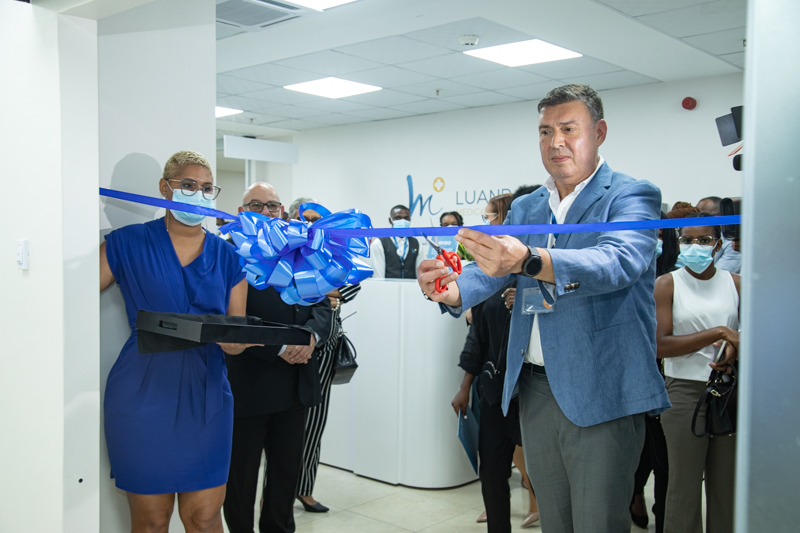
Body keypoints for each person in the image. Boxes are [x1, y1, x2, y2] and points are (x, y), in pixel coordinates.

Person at [417, 84, 671, 533]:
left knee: (597, 523)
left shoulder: (631, 195)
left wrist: (531, 260)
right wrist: (451, 290)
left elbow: (617, 262)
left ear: (599, 132)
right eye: (545, 131)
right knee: (554, 520)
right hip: (534, 390)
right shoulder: (528, 205)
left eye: (569, 129)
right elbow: (494, 269)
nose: (556, 142)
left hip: (602, 388)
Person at [99, 150, 252, 533]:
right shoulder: (127, 243)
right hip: (142, 394)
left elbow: (235, 336)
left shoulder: (230, 257)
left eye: (207, 188)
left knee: (204, 518)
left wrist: (244, 341)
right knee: (151, 521)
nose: (198, 194)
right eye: (188, 184)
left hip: (207, 395)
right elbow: (67, 298)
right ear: (165, 188)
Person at [222, 183, 332, 533]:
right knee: (241, 477)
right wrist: (280, 347)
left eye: (273, 206)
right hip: (250, 382)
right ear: (242, 212)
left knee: (286, 473)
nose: (268, 212)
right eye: (257, 205)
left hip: (296, 383)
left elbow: (322, 304)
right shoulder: (231, 252)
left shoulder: (300, 250)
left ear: (283, 212)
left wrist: (312, 336)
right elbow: (232, 318)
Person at [452, 197, 539, 532]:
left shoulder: (540, 267)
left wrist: (531, 302)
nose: (487, 224)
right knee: (491, 472)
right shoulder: (488, 277)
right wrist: (465, 387)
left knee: (542, 470)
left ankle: (538, 507)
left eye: (491, 217)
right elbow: (478, 339)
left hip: (534, 389)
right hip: (494, 390)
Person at [654, 213, 740, 533]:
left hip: (728, 392)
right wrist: (718, 332)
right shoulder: (667, 284)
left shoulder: (736, 283)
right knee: (684, 487)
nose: (695, 246)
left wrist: (735, 346)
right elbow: (660, 345)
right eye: (688, 240)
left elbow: (757, 334)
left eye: (704, 240)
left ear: (718, 244)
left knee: (726, 489)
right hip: (684, 392)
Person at [296, 283, 361, 513]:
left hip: (325, 345)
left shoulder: (342, 259)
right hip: (293, 334)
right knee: (281, 425)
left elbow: (352, 287)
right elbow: (288, 285)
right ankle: (272, 493)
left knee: (315, 421)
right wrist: (325, 295)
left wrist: (314, 293)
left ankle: (304, 488)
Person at [369, 204, 424, 279]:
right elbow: (378, 277)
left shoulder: (416, 243)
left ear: (409, 220)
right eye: (398, 218)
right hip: (388, 286)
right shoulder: (379, 243)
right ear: (390, 220)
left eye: (406, 218)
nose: (402, 221)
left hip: (411, 286)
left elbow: (421, 275)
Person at [696, 196, 741, 274]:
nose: (697, 221)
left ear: (719, 216)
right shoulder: (694, 239)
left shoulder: (732, 243)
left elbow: (716, 275)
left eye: (703, 217)